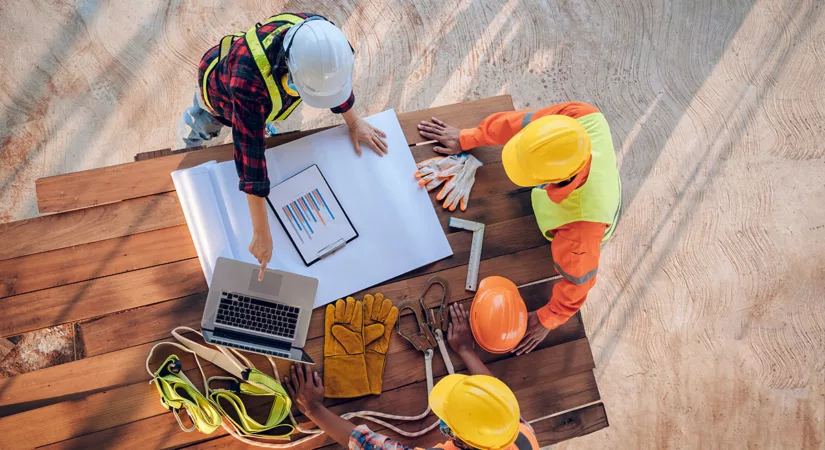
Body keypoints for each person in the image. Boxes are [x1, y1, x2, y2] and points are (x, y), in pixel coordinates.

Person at [177, 12, 388, 280]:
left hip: (257, 99)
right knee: (203, 128)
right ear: (288, 72)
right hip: (218, 97)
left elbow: (333, 83)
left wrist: (353, 121)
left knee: (256, 119)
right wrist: (261, 233)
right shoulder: (248, 84)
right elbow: (250, 155)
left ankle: (259, 120)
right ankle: (189, 139)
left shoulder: (320, 38)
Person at [416, 102, 621, 355]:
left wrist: (548, 318)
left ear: (554, 180)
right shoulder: (580, 117)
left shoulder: (579, 234)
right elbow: (518, 123)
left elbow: (579, 284)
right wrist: (468, 138)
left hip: (588, 217)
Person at [283, 303, 539, 450]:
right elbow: (492, 396)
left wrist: (313, 409)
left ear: (460, 439)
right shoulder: (517, 433)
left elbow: (368, 445)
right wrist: (466, 351)